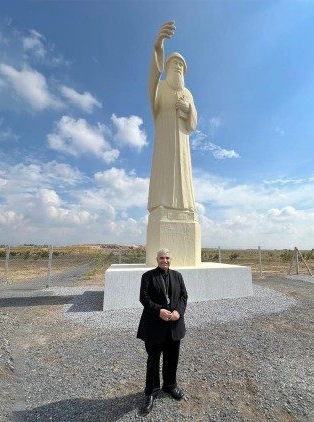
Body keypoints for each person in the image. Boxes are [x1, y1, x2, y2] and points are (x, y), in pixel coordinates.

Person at [147, 20, 198, 214]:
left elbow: (193, 124)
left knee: (184, 177)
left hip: (183, 145)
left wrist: (188, 108)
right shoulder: (160, 88)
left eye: (180, 65)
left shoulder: (188, 93)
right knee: (163, 175)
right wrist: (158, 47)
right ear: (167, 67)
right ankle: (162, 205)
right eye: (174, 63)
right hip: (164, 144)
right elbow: (153, 77)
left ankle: (184, 208)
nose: (177, 66)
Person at [137, 248, 188, 415]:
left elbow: (183, 297)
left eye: (167, 258)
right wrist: (159, 310)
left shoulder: (177, 276)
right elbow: (144, 298)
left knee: (172, 358)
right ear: (156, 259)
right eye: (161, 258)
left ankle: (170, 385)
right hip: (154, 326)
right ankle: (151, 392)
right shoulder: (148, 276)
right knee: (153, 361)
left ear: (170, 259)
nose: (164, 260)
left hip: (174, 326)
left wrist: (178, 313)